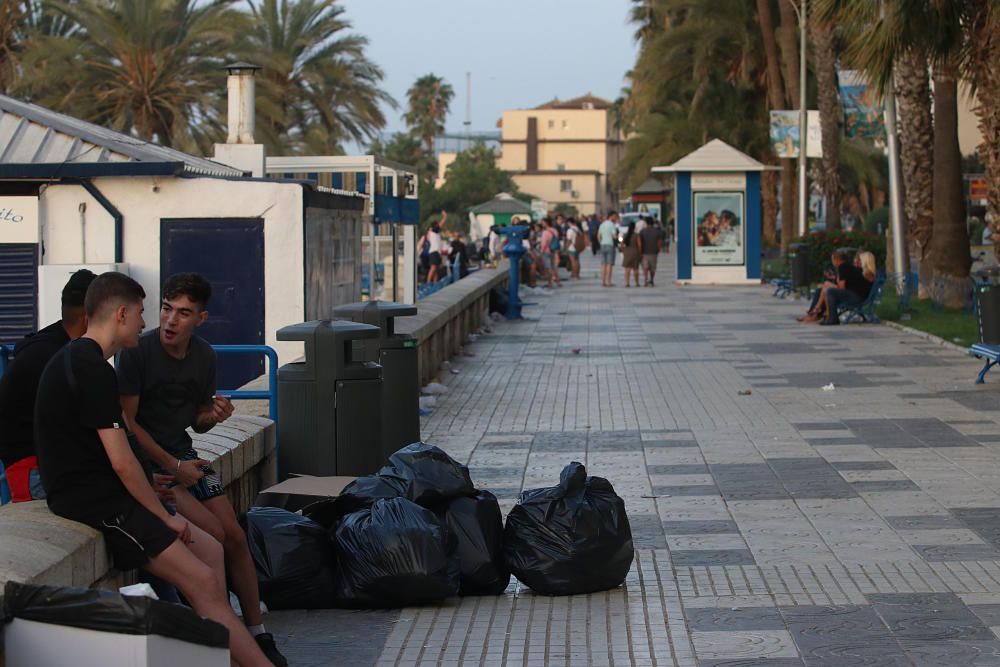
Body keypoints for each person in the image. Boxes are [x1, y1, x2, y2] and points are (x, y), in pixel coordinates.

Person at [34, 272, 273, 667]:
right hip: (99, 502)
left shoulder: (88, 361)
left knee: (214, 550)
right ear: (122, 314)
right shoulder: (90, 367)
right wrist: (164, 515)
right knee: (202, 581)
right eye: (146, 313)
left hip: (114, 491)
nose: (150, 323)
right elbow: (121, 460)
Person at [116, 273, 286, 666]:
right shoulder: (136, 354)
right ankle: (221, 633)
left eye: (183, 313)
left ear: (201, 318)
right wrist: (174, 466)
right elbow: (127, 424)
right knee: (212, 535)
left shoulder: (204, 356)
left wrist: (214, 415)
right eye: (166, 310)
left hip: (187, 458)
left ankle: (258, 633)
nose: (171, 321)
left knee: (236, 538)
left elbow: (197, 421)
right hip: (155, 469)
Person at [0, 269, 97, 502]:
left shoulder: (48, 346)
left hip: (34, 468)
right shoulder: (58, 359)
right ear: (88, 317)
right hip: (35, 471)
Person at [819, 249, 874, 325]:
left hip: (857, 297)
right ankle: (826, 314)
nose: (858, 262)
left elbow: (842, 287)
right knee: (828, 290)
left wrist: (833, 285)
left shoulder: (844, 267)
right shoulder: (858, 270)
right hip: (860, 295)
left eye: (860, 260)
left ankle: (832, 317)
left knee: (830, 291)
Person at [638, 219, 664, 287]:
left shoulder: (642, 231)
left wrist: (640, 251)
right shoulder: (657, 231)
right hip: (654, 252)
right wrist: (658, 249)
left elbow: (639, 242)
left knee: (645, 267)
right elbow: (660, 242)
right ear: (653, 224)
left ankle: (646, 280)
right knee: (653, 268)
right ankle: (651, 279)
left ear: (646, 223)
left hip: (645, 252)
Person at [598, 212, 620, 287]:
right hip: (610, 245)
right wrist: (618, 237)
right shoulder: (612, 225)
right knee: (609, 264)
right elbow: (614, 236)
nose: (616, 219)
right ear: (611, 216)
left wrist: (601, 243)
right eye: (615, 217)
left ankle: (603, 281)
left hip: (602, 245)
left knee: (603, 264)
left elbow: (599, 236)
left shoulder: (602, 224)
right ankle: (608, 282)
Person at [426, 212, 447, 283]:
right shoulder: (432, 232)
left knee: (436, 269)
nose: (439, 225)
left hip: (437, 252)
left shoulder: (436, 233)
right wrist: (445, 216)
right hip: (433, 252)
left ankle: (435, 283)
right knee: (433, 268)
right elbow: (441, 224)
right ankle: (428, 282)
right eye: (437, 224)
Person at [540, 218, 561, 288]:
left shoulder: (545, 232)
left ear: (546, 223)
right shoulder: (554, 230)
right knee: (553, 266)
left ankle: (552, 280)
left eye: (543, 222)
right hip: (553, 250)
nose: (542, 224)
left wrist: (541, 251)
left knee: (548, 268)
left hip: (546, 251)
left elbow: (544, 243)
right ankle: (556, 282)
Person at [621, 222, 641, 287]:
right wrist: (640, 252)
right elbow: (639, 245)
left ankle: (627, 283)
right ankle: (637, 283)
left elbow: (621, 244)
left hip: (627, 252)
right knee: (635, 268)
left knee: (627, 269)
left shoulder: (625, 235)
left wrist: (623, 250)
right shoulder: (636, 235)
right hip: (635, 252)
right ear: (634, 227)